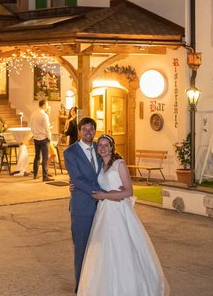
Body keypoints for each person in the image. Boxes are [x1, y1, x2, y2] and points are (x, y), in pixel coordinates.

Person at [78, 134, 167, 296]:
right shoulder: (98, 165)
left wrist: (107, 196)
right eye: (100, 145)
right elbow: (88, 181)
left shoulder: (119, 164)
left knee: (121, 248)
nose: (103, 148)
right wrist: (73, 185)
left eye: (106, 145)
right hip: (104, 213)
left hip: (119, 212)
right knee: (104, 250)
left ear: (112, 147)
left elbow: (128, 191)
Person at [64, 117, 103, 292]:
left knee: (100, 247)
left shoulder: (100, 148)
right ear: (79, 131)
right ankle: (81, 286)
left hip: (103, 208)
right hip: (82, 207)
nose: (88, 132)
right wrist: (100, 194)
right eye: (85, 129)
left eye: (91, 129)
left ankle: (96, 283)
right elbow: (77, 180)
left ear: (95, 131)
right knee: (81, 248)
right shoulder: (70, 152)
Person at [29, 99, 53, 182]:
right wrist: (49, 137)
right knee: (45, 158)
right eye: (47, 104)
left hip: (36, 138)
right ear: (43, 105)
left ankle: (35, 174)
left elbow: (31, 126)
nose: (47, 106)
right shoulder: (44, 115)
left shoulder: (33, 114)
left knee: (37, 156)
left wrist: (34, 134)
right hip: (44, 138)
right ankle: (45, 176)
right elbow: (47, 128)